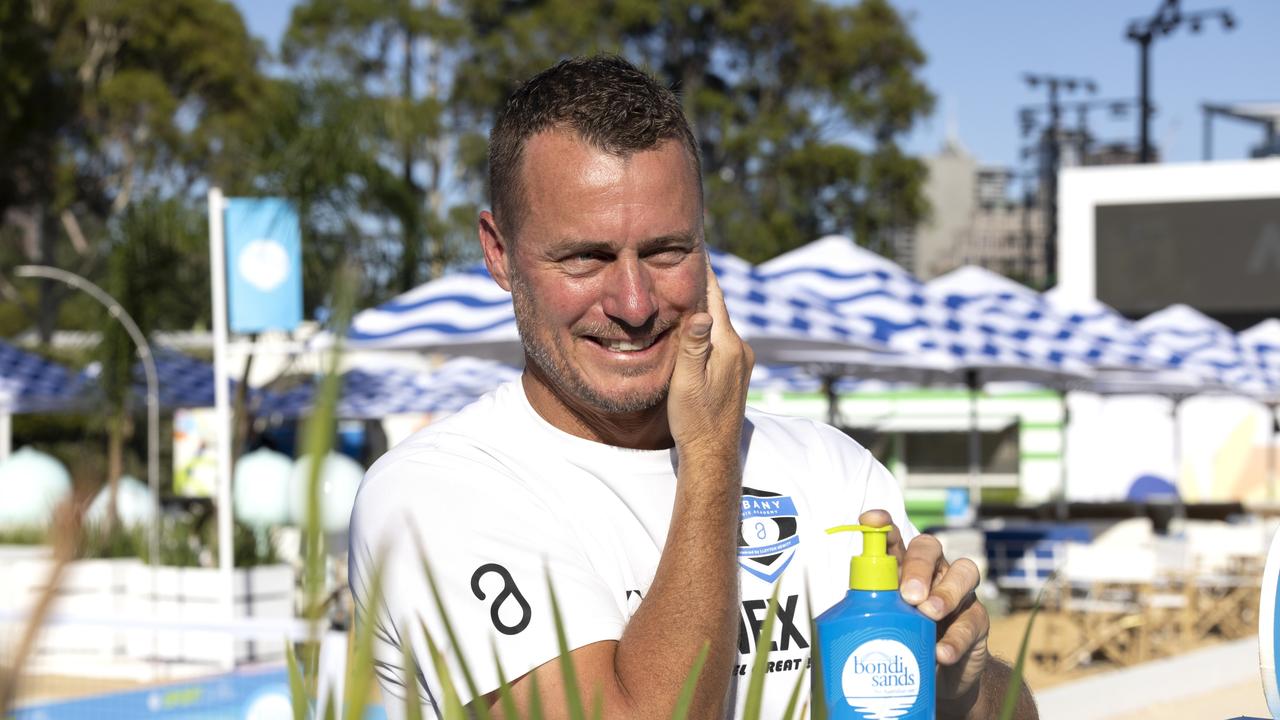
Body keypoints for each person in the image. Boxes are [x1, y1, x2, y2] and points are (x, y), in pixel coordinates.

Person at [349, 54, 1037, 720]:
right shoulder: (434, 492)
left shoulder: (835, 470)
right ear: (499, 253)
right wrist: (711, 456)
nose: (633, 301)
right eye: (585, 257)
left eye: (666, 251)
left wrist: (961, 693)